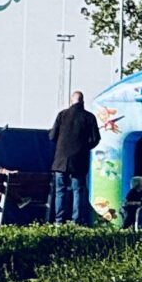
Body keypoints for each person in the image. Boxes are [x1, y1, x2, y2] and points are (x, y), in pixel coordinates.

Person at [49, 89, 100, 225]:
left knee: (60, 191)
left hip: (60, 161)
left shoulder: (62, 115)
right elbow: (95, 139)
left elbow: (52, 136)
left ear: (70, 101)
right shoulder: (89, 117)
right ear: (83, 102)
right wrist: (84, 147)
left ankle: (59, 221)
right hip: (79, 161)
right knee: (78, 191)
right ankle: (76, 221)